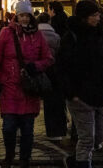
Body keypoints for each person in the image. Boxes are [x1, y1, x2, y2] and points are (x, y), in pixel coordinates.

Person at [0, 0, 54, 168]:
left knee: (27, 129)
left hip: (29, 89)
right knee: (8, 127)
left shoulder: (37, 35)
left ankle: (25, 159)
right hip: (10, 86)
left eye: (27, 16)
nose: (24, 19)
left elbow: (48, 58)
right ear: (16, 16)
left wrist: (35, 66)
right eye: (22, 15)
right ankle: (9, 155)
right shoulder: (6, 33)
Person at [58, 0, 103, 167]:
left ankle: (74, 161)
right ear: (84, 17)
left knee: (99, 138)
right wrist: (71, 93)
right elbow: (62, 67)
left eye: (98, 14)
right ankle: (82, 163)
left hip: (100, 94)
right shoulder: (72, 37)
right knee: (87, 139)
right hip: (80, 95)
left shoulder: (101, 34)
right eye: (94, 15)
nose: (97, 18)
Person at [36, 12, 66, 141]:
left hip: (40, 71)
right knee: (57, 101)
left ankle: (50, 129)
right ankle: (58, 130)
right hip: (55, 71)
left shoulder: (35, 36)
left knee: (46, 102)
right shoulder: (56, 36)